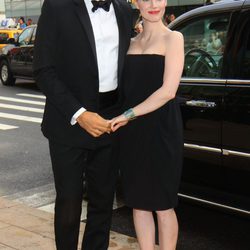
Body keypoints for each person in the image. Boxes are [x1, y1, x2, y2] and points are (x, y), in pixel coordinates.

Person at [33, 0, 132, 249]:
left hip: (111, 120)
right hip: (69, 121)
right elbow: (43, 69)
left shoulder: (123, 9)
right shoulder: (56, 6)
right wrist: (80, 114)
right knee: (69, 202)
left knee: (103, 202)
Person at [111, 0, 184, 249]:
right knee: (139, 202)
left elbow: (168, 91)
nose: (153, 4)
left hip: (162, 132)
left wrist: (127, 115)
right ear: (136, 3)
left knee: (163, 206)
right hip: (132, 134)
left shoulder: (174, 38)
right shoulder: (129, 44)